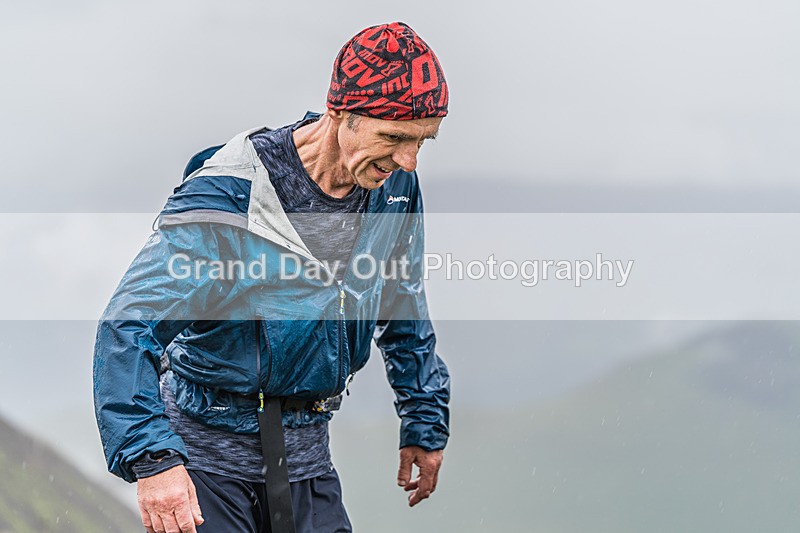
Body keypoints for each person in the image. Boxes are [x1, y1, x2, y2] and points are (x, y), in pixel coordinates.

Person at [93, 21, 451, 533]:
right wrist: (153, 460)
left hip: (307, 458)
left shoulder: (394, 188)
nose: (408, 162)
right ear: (340, 113)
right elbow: (129, 325)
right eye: (394, 137)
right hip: (205, 467)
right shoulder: (229, 197)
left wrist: (424, 417)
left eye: (423, 141)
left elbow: (400, 298)